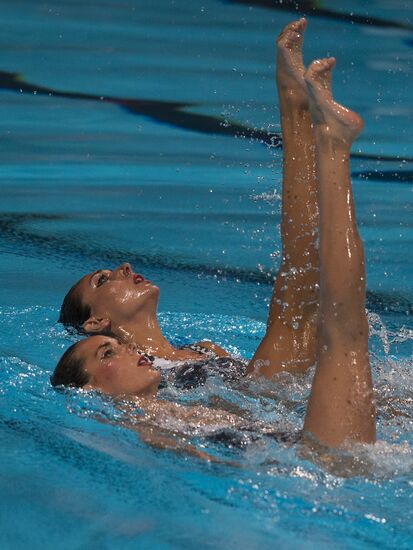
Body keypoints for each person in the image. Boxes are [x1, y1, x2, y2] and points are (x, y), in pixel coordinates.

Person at [52, 19, 376, 452]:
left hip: (274, 400)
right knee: (322, 308)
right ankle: (316, 128)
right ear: (96, 322)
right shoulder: (143, 393)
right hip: (281, 427)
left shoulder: (202, 349)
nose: (124, 267)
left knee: (302, 272)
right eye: (102, 279)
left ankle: (298, 108)